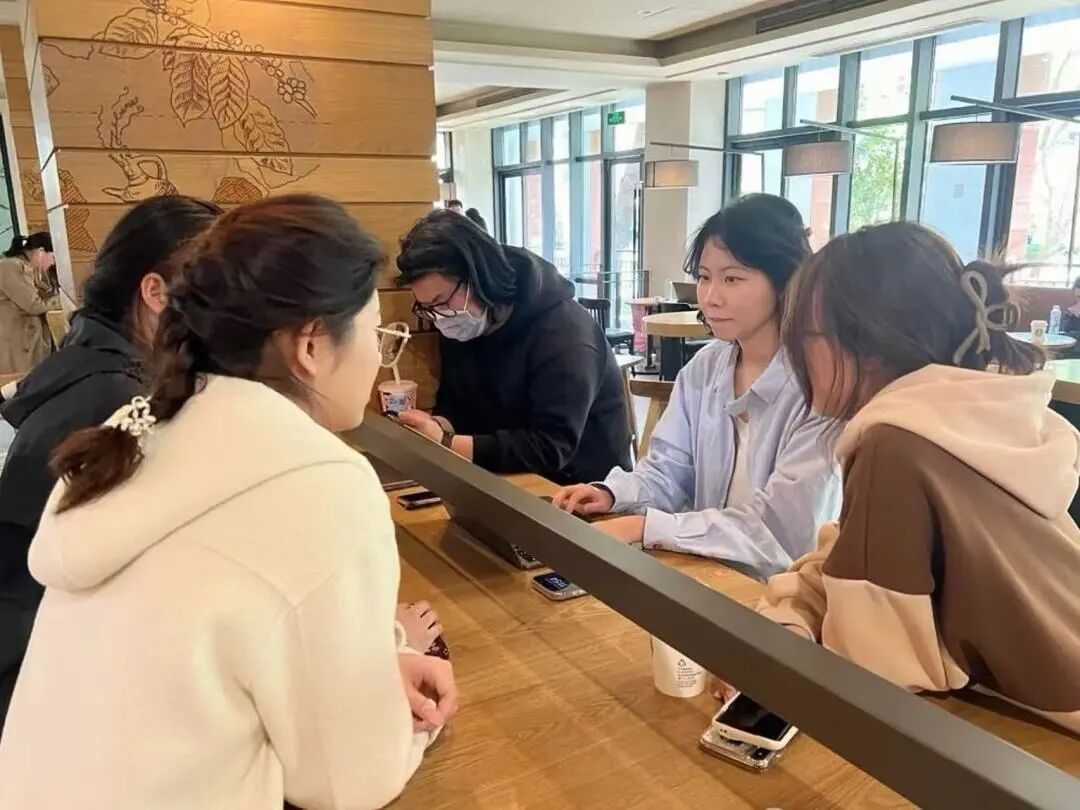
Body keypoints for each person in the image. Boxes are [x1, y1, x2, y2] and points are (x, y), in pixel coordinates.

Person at [0, 195, 458, 808]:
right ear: (312, 346)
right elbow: (348, 780)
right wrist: (393, 711)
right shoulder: (322, 483)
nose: (379, 354)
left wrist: (372, 667)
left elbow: (201, 665)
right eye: (375, 329)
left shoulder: (135, 428)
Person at [750, 222, 1079, 733]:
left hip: (1045, 742)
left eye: (805, 337)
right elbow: (854, 556)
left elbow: (875, 667)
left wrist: (778, 647)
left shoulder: (895, 446)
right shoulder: (978, 412)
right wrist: (794, 613)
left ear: (870, 346)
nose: (794, 357)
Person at [0, 196, 223, 728]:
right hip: (39, 680)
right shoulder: (122, 400)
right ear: (155, 292)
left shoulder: (88, 359)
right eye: (217, 291)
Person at [554, 195, 840, 579]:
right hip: (707, 577)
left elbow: (780, 533)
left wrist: (646, 527)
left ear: (785, 281)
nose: (710, 297)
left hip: (785, 598)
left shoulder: (822, 385)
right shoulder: (705, 368)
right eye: (704, 277)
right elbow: (668, 471)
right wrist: (612, 494)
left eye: (732, 278)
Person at [395, 209, 631, 485]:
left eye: (441, 301)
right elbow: (459, 407)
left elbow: (550, 448)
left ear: (478, 277)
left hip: (582, 490)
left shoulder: (565, 336)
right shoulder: (465, 322)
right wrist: (436, 427)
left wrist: (447, 442)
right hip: (505, 478)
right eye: (427, 308)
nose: (440, 318)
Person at [0, 233, 55, 374]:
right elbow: (33, 305)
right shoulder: (11, 266)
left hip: (22, 342)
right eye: (52, 257)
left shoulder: (26, 268)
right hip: (17, 346)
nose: (53, 263)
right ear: (41, 252)